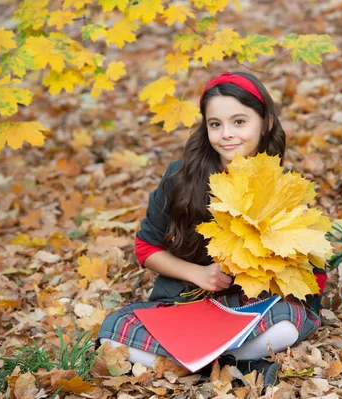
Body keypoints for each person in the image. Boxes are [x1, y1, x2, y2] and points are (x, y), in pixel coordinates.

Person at [97, 72, 327, 387]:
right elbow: (146, 249)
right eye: (215, 124)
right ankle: (237, 366)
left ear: (266, 124)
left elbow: (310, 270)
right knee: (113, 334)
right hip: (188, 305)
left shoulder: (281, 185)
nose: (226, 135)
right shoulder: (179, 179)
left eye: (239, 122)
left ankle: (198, 364)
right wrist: (198, 273)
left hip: (249, 308)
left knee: (286, 324)